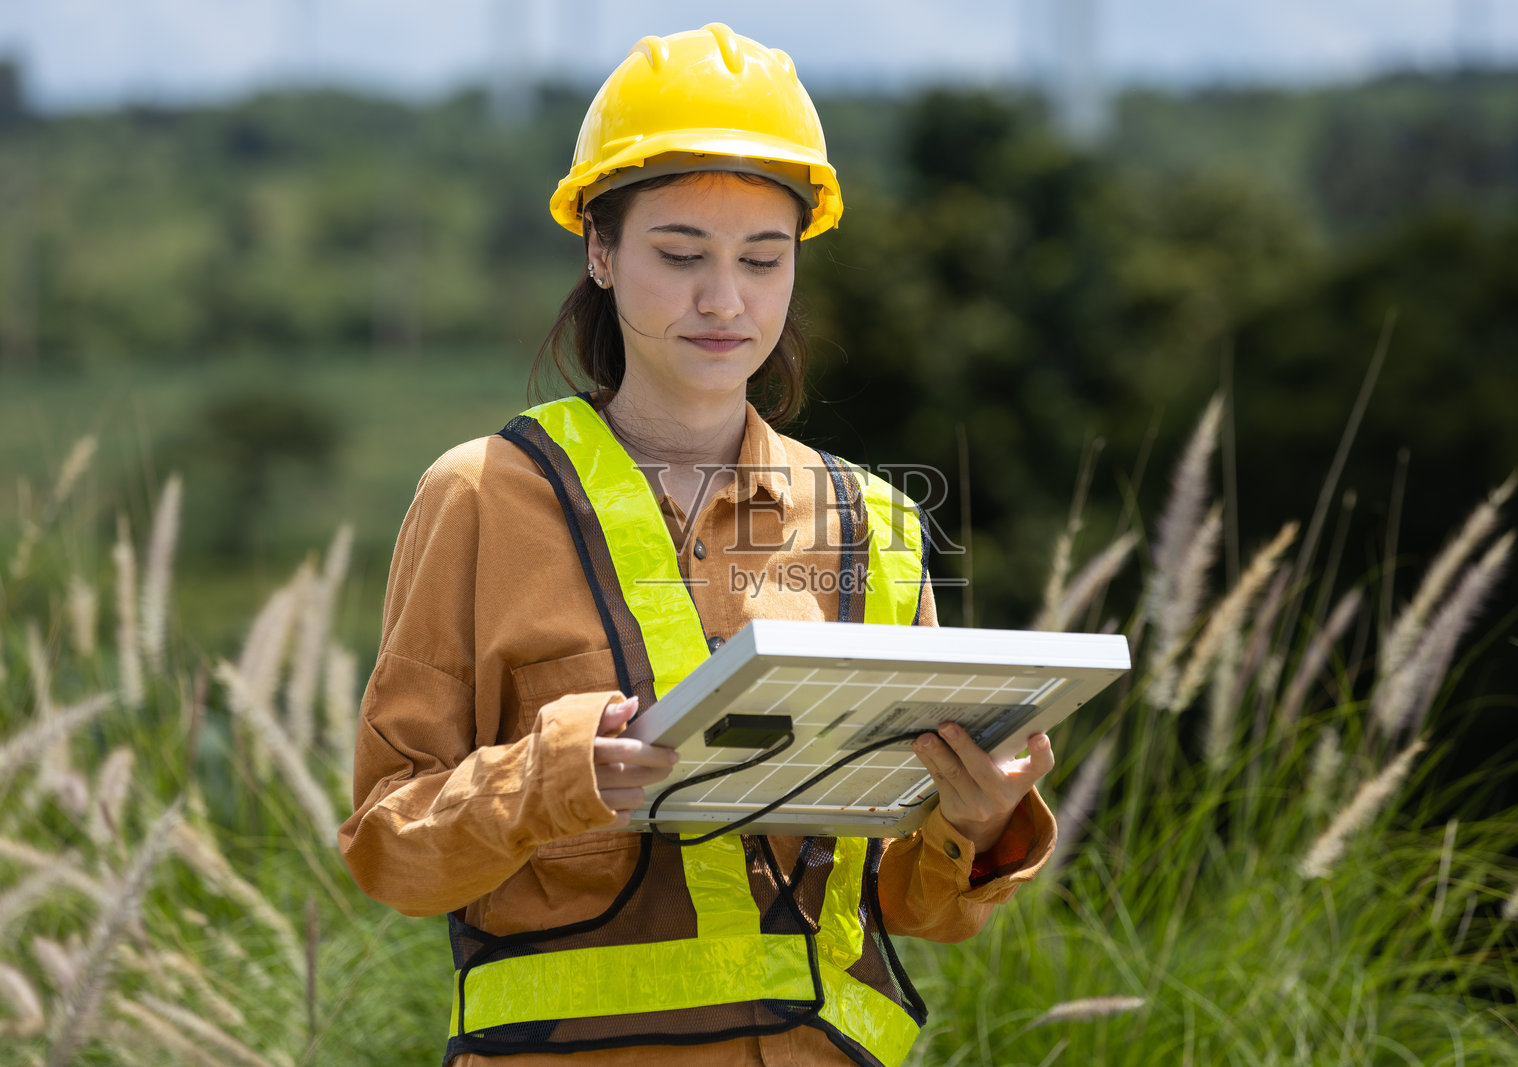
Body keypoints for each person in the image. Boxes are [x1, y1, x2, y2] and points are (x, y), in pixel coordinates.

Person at [339, 23, 1057, 1067]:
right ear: (599, 248)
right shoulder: (482, 498)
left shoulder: (876, 525)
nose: (724, 299)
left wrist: (973, 822)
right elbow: (389, 850)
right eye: (679, 255)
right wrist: (553, 776)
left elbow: (912, 909)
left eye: (762, 260)